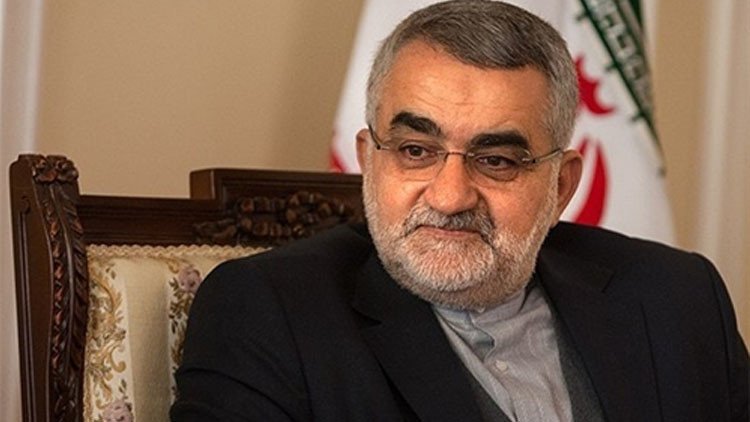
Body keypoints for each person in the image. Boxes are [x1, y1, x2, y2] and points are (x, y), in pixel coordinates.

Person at [171, 1, 748, 421]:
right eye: (415, 151)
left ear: (561, 186)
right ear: (369, 161)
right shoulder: (267, 313)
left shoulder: (676, 299)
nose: (450, 197)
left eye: (496, 160)